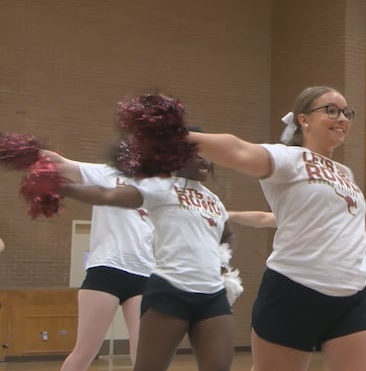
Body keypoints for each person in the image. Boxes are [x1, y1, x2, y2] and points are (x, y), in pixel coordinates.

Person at [186, 86, 366, 371]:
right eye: (331, 110)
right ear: (303, 119)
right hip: (295, 292)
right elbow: (237, 149)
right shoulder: (288, 159)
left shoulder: (345, 173)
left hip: (352, 296)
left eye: (346, 112)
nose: (342, 118)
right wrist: (176, 138)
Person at [60, 153, 238, 371]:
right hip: (117, 272)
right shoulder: (159, 187)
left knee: (142, 354)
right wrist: (62, 187)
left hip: (152, 275)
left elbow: (228, 234)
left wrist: (222, 262)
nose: (207, 162)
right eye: (199, 156)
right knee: (86, 353)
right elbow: (106, 194)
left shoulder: (212, 199)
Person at [42, 151, 155, 371]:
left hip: (145, 274)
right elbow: (60, 163)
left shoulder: (158, 187)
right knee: (84, 353)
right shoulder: (106, 173)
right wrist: (26, 150)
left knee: (145, 357)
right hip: (107, 269)